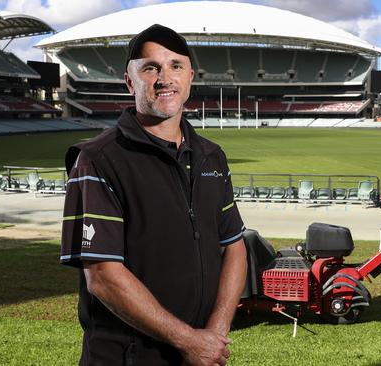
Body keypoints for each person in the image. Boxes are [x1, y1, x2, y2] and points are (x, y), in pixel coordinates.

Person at [60, 24, 247, 365]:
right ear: (130, 81)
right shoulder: (98, 159)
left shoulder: (211, 156)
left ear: (190, 75)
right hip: (127, 358)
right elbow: (102, 276)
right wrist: (189, 341)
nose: (165, 78)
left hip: (199, 355)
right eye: (150, 68)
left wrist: (215, 334)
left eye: (176, 66)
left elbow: (234, 246)